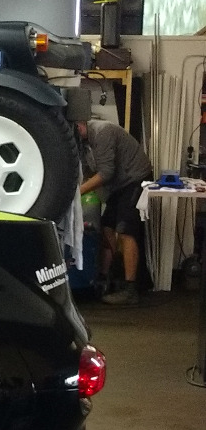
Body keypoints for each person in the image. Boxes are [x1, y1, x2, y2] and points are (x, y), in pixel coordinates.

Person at [76, 116, 152, 305]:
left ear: (80, 124)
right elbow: (87, 172)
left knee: (125, 231)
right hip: (118, 186)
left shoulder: (102, 132)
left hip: (135, 180)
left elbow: (106, 173)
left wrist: (77, 193)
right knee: (107, 227)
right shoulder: (83, 142)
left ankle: (130, 289)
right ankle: (104, 279)